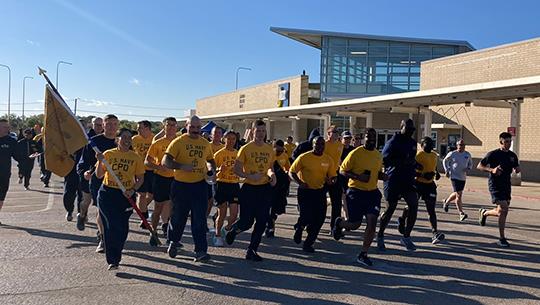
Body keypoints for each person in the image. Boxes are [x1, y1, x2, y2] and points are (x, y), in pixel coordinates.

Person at [163, 116, 216, 262]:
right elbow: (165, 161)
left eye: (198, 127)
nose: (195, 130)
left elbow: (211, 160)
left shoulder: (205, 143)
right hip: (181, 185)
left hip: (199, 185)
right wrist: (181, 166)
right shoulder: (178, 142)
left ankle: (200, 251)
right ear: (186, 126)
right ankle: (173, 241)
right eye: (192, 127)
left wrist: (211, 169)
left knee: (199, 219)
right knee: (178, 217)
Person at [223, 120, 277, 262]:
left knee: (262, 221)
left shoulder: (269, 149)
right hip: (249, 189)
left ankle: (252, 250)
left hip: (264, 189)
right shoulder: (245, 149)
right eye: (258, 131)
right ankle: (234, 230)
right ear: (252, 131)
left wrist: (272, 175)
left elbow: (270, 167)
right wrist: (250, 176)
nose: (260, 134)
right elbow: (236, 170)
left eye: (263, 131)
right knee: (247, 222)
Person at [333, 128, 387, 266]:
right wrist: (357, 177)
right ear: (364, 138)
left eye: (374, 137)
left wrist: (383, 176)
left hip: (372, 193)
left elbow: (377, 173)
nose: (371, 139)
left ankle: (363, 254)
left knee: (372, 222)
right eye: (368, 137)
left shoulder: (378, 155)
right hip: (356, 191)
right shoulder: (355, 153)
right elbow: (342, 171)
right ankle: (339, 223)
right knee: (355, 224)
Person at [95, 128, 145, 270]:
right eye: (124, 137)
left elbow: (140, 178)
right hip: (108, 193)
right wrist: (99, 162)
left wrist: (133, 190)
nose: (127, 140)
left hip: (126, 195)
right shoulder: (108, 154)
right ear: (117, 139)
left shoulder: (135, 157)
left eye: (129, 137)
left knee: (122, 227)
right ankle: (113, 260)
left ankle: (117, 250)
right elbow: (99, 175)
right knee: (112, 225)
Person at [78, 114, 119, 254]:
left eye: (115, 124)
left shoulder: (122, 142)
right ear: (104, 126)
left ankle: (110, 235)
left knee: (114, 212)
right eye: (109, 124)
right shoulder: (93, 142)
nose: (112, 127)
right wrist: (84, 172)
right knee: (102, 210)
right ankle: (103, 238)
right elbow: (83, 162)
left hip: (118, 182)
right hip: (98, 181)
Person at [378, 119, 419, 251]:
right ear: (401, 127)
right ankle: (380, 235)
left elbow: (412, 159)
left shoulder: (412, 143)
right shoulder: (392, 142)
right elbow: (384, 160)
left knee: (413, 204)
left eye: (412, 130)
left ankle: (406, 237)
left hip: (407, 180)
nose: (410, 132)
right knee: (391, 208)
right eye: (408, 129)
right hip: (393, 179)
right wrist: (402, 161)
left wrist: (416, 165)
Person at [289, 136, 336, 252]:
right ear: (313, 145)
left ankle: (308, 244)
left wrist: (332, 181)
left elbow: (333, 176)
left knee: (319, 219)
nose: (320, 147)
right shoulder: (304, 157)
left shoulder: (328, 159)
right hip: (305, 191)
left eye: (322, 145)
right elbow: (292, 172)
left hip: (319, 191)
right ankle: (299, 227)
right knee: (306, 215)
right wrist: (300, 182)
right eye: (317, 145)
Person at [477, 132, 521, 248]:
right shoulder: (493, 154)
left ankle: (484, 213)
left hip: (506, 185)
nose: (508, 143)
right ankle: (502, 238)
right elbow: (479, 166)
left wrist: (517, 169)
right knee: (504, 209)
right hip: (495, 185)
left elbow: (516, 166)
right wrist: (492, 170)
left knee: (501, 211)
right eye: (506, 141)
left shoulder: (512, 155)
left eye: (510, 141)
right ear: (501, 142)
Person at [402, 137, 445, 244]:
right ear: (422, 145)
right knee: (412, 206)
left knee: (431, 210)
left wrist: (437, 173)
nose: (430, 145)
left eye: (431, 143)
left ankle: (435, 233)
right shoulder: (418, 156)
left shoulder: (435, 155)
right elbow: (410, 171)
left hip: (430, 185)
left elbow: (433, 167)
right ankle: (402, 219)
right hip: (418, 184)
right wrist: (422, 175)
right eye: (427, 143)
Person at [145, 117, 177, 238]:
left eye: (173, 125)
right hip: (160, 178)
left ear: (176, 127)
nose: (171, 127)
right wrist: (158, 167)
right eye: (168, 125)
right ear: (164, 127)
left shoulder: (179, 142)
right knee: (158, 207)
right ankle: (153, 232)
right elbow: (147, 162)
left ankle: (167, 228)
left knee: (172, 206)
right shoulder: (157, 143)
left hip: (176, 179)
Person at [214, 131, 240, 246]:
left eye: (233, 139)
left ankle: (227, 228)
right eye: (228, 138)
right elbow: (211, 172)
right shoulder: (219, 154)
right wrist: (220, 170)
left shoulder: (238, 154)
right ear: (224, 139)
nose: (231, 141)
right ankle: (217, 235)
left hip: (234, 185)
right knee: (222, 213)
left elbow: (242, 169)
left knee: (234, 215)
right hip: (222, 184)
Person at [442, 139, 473, 221]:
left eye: (463, 145)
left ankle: (446, 202)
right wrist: (447, 170)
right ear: (457, 145)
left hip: (462, 177)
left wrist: (468, 168)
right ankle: (461, 213)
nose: (461, 146)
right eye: (460, 145)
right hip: (454, 176)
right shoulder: (453, 154)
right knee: (459, 195)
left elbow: (470, 164)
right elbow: (445, 161)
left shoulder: (467, 154)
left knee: (457, 193)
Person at [266, 139, 291, 238]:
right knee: (269, 206)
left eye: (281, 150)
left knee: (276, 207)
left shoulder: (284, 156)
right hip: (269, 183)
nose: (280, 153)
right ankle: (270, 226)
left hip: (280, 185)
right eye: (278, 151)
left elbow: (288, 168)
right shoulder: (269, 155)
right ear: (273, 148)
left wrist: (287, 176)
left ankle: (271, 221)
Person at [132, 120, 154, 227]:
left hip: (153, 170)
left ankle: (142, 210)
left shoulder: (154, 138)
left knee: (151, 195)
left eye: (140, 127)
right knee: (141, 194)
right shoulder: (134, 139)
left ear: (147, 128)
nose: (138, 130)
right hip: (139, 170)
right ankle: (144, 218)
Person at [0, 119, 21, 224]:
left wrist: (27, 158)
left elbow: (17, 156)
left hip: (4, 174)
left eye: (8, 127)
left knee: (1, 195)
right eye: (4, 127)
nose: (7, 129)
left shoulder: (11, 141)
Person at [324, 125, 344, 232]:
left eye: (337, 131)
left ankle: (335, 227)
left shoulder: (340, 145)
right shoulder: (324, 144)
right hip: (324, 174)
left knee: (337, 202)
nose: (336, 133)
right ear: (328, 134)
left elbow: (338, 158)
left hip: (335, 174)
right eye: (334, 132)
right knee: (320, 202)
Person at [207, 126, 224, 230]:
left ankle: (216, 217)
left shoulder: (224, 147)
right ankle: (204, 221)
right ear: (211, 135)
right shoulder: (207, 146)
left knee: (220, 202)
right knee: (209, 201)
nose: (217, 135)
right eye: (215, 133)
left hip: (220, 179)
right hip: (207, 177)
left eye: (219, 133)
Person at [339, 131, 355, 219]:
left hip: (350, 177)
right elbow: (338, 162)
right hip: (340, 176)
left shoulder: (353, 150)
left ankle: (348, 215)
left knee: (348, 197)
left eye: (349, 138)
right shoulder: (339, 149)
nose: (347, 140)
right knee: (344, 197)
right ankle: (347, 218)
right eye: (345, 138)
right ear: (342, 139)